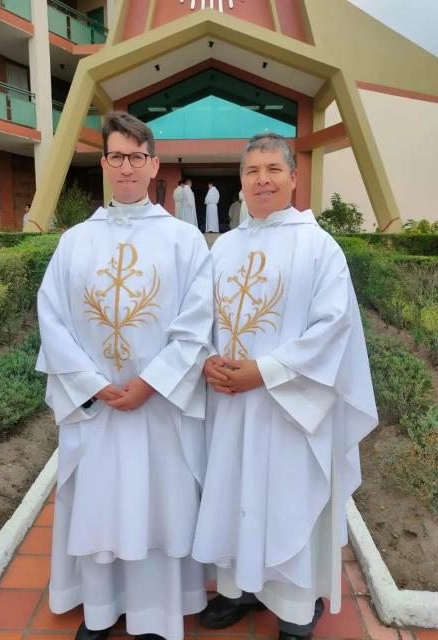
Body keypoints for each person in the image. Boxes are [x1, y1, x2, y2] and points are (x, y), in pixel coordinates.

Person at [192, 132, 378, 639]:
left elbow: (332, 327)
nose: (262, 180)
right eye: (252, 172)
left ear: (294, 178)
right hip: (231, 405)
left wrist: (264, 372)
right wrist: (207, 359)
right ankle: (237, 591)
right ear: (242, 183)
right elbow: (198, 319)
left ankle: (296, 609)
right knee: (233, 491)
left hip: (291, 410)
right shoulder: (223, 247)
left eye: (273, 169)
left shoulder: (319, 247)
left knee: (287, 498)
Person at [36, 111, 213, 640]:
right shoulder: (74, 242)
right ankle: (100, 607)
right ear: (105, 164)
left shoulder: (185, 242)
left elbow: (197, 323)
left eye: (137, 157)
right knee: (100, 503)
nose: (127, 167)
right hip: (97, 408)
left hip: (157, 408)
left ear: (154, 164)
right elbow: (53, 319)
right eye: (117, 156)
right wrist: (93, 385)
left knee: (158, 504)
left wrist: (151, 383)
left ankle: (157, 612)